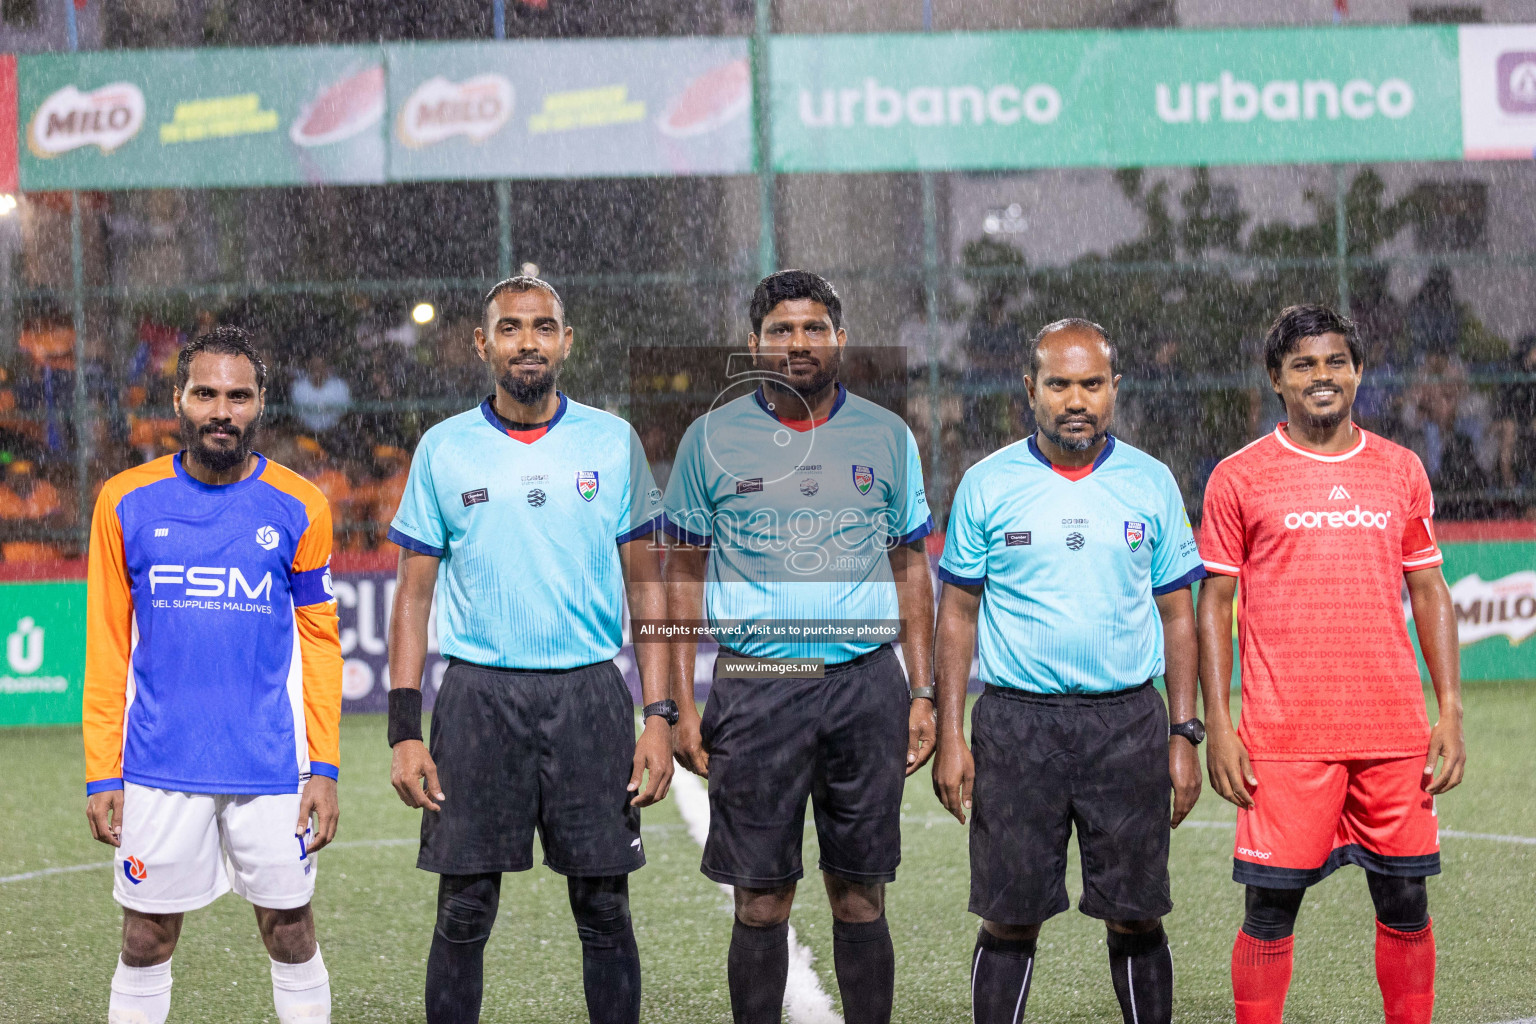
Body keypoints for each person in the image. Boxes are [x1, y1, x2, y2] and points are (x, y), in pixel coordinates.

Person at [385, 275, 672, 1024]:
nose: (528, 341)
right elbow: (413, 598)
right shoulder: (444, 448)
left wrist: (661, 716)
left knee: (605, 910)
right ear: (483, 344)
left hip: (589, 697)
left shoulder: (612, 442)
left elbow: (648, 591)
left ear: (566, 342)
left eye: (544, 327)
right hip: (478, 702)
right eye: (509, 328)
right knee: (463, 912)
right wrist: (405, 731)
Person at [664, 269, 936, 1024]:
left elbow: (910, 567)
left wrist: (924, 691)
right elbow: (682, 570)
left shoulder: (886, 434)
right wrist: (680, 703)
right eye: (781, 330)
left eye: (814, 328)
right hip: (757, 686)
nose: (799, 343)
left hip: (863, 683)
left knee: (859, 893)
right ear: (754, 345)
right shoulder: (710, 438)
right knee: (760, 900)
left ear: (841, 339)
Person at [931, 318, 1205, 1024]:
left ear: (1115, 388)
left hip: (1127, 725)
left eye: (1091, 383)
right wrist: (953, 735)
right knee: (1009, 918)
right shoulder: (987, 483)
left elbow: (1179, 613)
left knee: (1137, 915)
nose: (1075, 399)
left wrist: (1184, 733)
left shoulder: (1150, 481)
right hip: (1018, 726)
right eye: (1059, 384)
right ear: (1031, 390)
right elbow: (957, 613)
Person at [1197, 304, 1464, 1024]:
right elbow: (1214, 603)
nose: (1323, 377)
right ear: (1276, 380)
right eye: (1305, 365)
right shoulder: (1239, 477)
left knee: (1406, 901)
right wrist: (1218, 723)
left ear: (1358, 371)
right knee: (1270, 907)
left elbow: (1429, 586)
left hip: (1393, 732)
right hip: (1286, 740)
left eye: (1336, 362)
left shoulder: (1400, 469)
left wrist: (1450, 711)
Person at [82, 326, 343, 1024]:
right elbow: (106, 646)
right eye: (205, 394)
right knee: (144, 937)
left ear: (261, 403)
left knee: (290, 930)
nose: (220, 410)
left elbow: (321, 642)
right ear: (178, 400)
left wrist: (326, 766)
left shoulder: (299, 505)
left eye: (237, 395)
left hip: (269, 763)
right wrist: (102, 773)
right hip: (159, 761)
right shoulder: (125, 500)